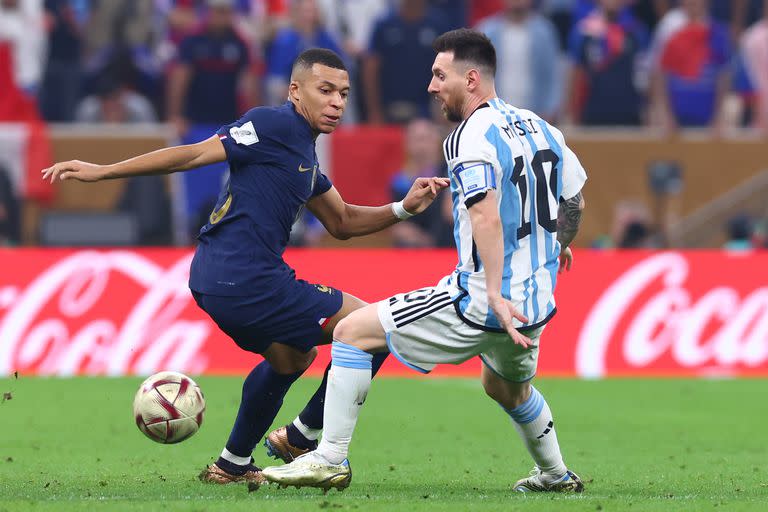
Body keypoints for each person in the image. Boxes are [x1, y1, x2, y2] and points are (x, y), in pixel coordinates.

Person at [42, 48, 449, 485]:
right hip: (244, 277)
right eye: (325, 90)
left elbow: (343, 221)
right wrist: (101, 172)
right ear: (295, 91)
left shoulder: (304, 155)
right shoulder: (272, 125)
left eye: (344, 94)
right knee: (378, 328)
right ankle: (302, 435)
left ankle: (232, 465)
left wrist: (403, 208)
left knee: (292, 359)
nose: (337, 102)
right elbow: (193, 155)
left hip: (219, 278)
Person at [261, 28, 587, 494]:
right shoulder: (541, 127)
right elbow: (573, 201)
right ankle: (556, 475)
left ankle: (328, 458)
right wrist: (556, 243)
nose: (431, 86)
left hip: (479, 301)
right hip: (535, 304)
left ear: (471, 79)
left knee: (353, 333)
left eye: (439, 75)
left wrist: (492, 291)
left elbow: (485, 216)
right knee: (506, 390)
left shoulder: (467, 136)